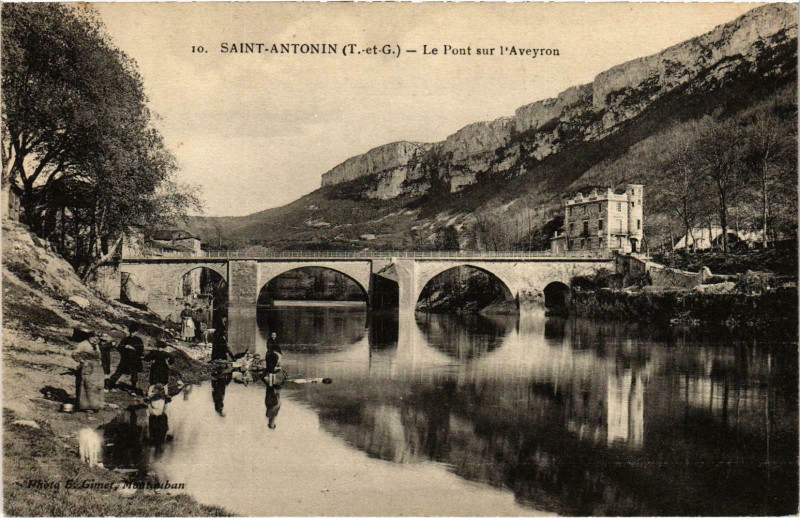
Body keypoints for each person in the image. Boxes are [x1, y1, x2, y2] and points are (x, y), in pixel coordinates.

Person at [70, 328, 104, 412]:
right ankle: (85, 406)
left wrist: (99, 361)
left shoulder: (96, 345)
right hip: (86, 368)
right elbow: (74, 354)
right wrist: (82, 361)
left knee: (95, 387)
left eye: (97, 337)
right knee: (85, 386)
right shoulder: (83, 344)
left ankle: (95, 405)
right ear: (89, 337)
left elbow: (99, 356)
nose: (95, 339)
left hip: (96, 369)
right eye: (93, 337)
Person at [108, 323, 144, 394]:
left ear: (136, 332)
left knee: (134, 375)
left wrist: (133, 348)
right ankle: (109, 386)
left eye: (133, 332)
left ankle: (133, 389)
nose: (131, 333)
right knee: (118, 372)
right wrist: (125, 347)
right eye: (131, 332)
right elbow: (119, 348)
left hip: (134, 361)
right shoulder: (125, 339)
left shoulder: (138, 340)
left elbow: (141, 351)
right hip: (125, 360)